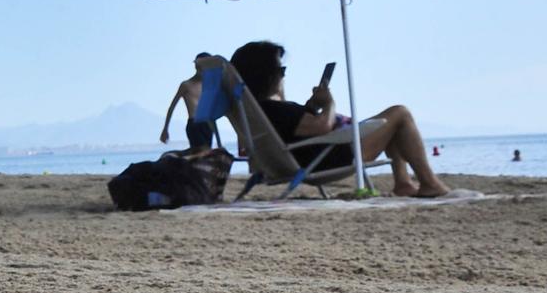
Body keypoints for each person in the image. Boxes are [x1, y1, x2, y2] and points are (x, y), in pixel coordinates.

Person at [228, 41, 448, 198]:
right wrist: (329, 102)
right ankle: (429, 183)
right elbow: (323, 126)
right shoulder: (274, 109)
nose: (283, 75)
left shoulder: (260, 110)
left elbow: (298, 127)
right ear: (266, 75)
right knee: (400, 113)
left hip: (309, 158)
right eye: (280, 70)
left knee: (387, 125)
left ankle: (404, 183)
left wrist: (312, 106)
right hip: (331, 157)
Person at [161, 54, 216, 148]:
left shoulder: (210, 85)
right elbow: (172, 107)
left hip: (208, 124)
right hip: (194, 124)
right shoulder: (186, 85)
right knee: (201, 153)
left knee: (207, 155)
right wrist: (165, 129)